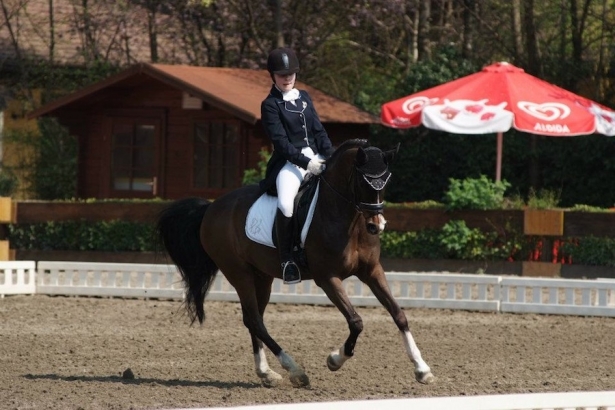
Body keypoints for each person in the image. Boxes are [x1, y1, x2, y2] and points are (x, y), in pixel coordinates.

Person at [260, 47, 334, 284]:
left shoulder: (304, 97)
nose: (287, 78)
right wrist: (307, 163)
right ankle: (287, 261)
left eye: (291, 73)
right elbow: (281, 143)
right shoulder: (270, 104)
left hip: (317, 157)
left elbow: (318, 131)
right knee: (286, 204)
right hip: (290, 163)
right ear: (272, 75)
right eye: (282, 74)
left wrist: (330, 155)